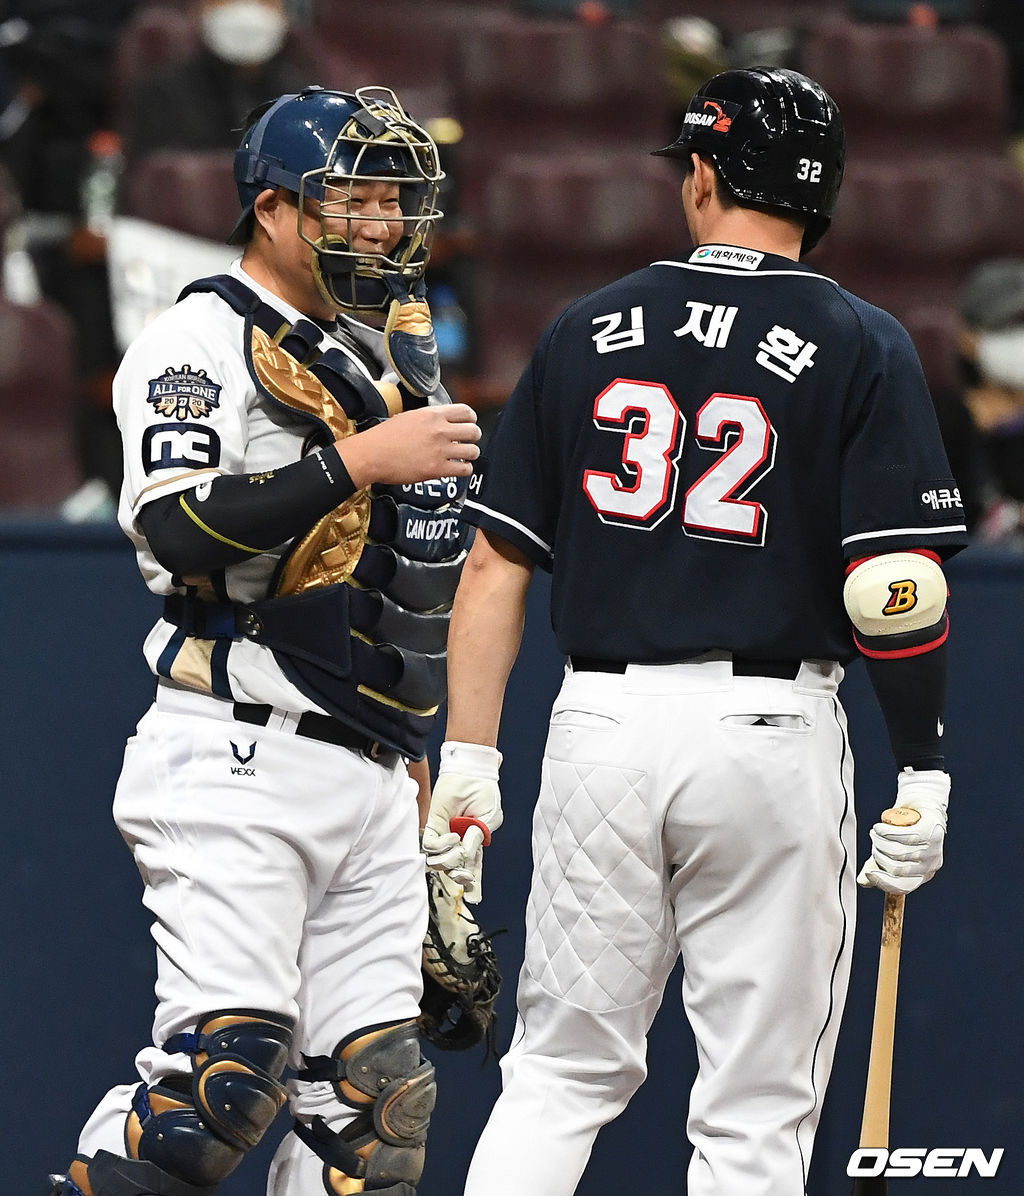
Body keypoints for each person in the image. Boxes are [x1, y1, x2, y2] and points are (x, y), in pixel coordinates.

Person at [420, 67, 967, 1196]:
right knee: (754, 1104)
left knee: (558, 1075)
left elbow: (493, 561)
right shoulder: (862, 338)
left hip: (600, 723)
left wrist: (468, 761)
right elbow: (896, 583)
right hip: (770, 728)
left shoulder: (585, 326)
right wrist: (922, 765)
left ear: (706, 173)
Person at [48, 84, 480, 1196]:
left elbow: (398, 590)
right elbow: (168, 531)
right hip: (235, 745)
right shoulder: (198, 338)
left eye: (395, 200)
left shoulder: (374, 356)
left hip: (368, 761)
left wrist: (413, 754)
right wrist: (357, 460)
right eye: (355, 198)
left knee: (378, 1122)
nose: (382, 224)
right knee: (216, 1091)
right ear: (277, 207)